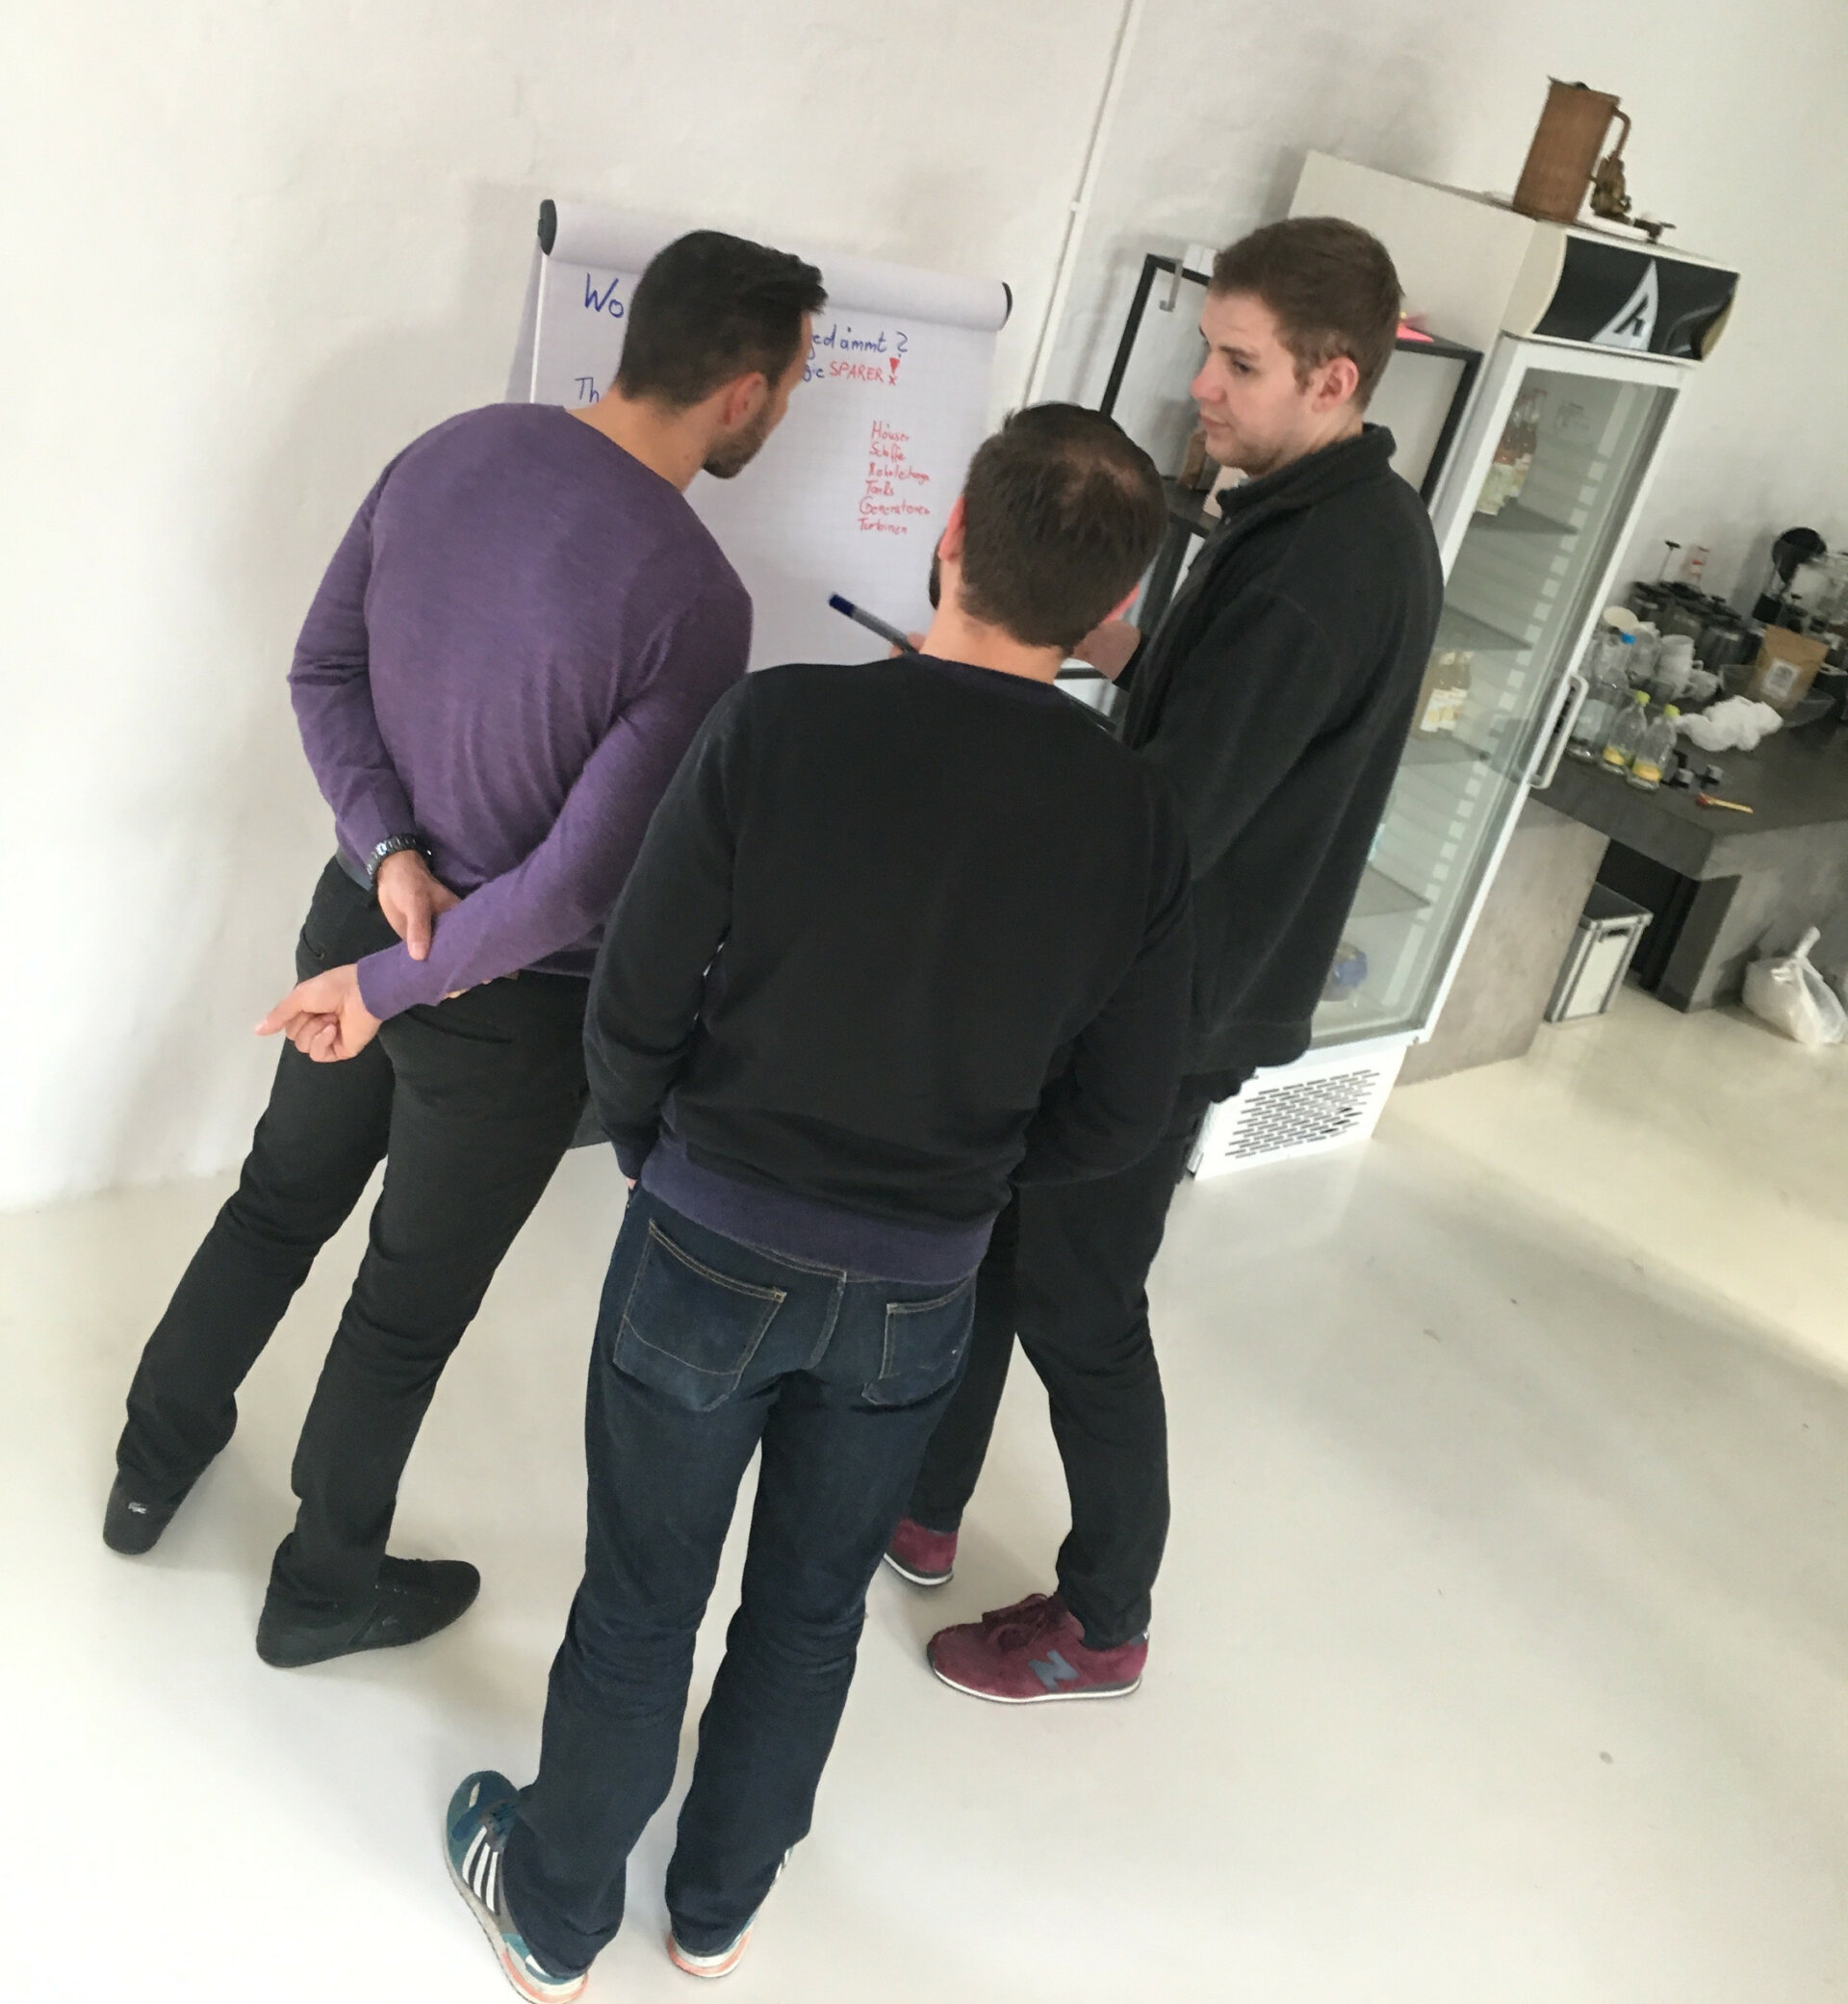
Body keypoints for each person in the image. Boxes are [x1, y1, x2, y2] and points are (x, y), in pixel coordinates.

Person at [441, 404, 1192, 2000]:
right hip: (918, 1284)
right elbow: (1128, 1107)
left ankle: (556, 1913)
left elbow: (634, 997)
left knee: (642, 1597)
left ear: (952, 538)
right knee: (809, 1612)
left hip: (711, 1228)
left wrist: (650, 1143)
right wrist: (974, 1183)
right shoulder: (1134, 813)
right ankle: (715, 1911)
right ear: (1114, 610)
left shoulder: (778, 723)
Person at [106, 228, 824, 1670]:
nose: (792, 408)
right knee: (404, 1308)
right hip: (501, 1011)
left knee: (273, 1205)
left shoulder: (451, 450)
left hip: (356, 929)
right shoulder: (696, 600)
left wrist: (386, 861)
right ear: (743, 391)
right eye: (798, 382)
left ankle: (148, 1469)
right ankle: (319, 1592)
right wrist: (396, 972)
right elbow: (574, 888)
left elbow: (322, 669)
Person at [892, 215, 1444, 1704]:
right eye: (1209, 349)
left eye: (1239, 363)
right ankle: (923, 1503)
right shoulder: (1308, 516)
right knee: (1002, 1243)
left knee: (1080, 1300)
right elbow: (1222, 721)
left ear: (1333, 379)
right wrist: (1109, 645)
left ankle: (1105, 1618)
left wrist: (1005, 779)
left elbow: (1178, 816)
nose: (1204, 386)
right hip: (1169, 972)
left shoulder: (1325, 566)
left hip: (1177, 1000)